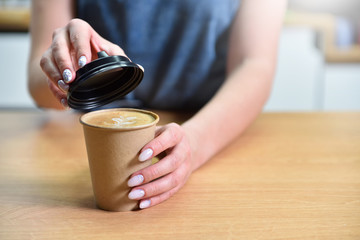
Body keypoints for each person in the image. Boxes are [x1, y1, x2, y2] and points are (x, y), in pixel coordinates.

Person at [28, 0, 286, 209]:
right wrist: (66, 68)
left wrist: (194, 144)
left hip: (210, 126)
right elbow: (37, 83)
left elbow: (254, 64)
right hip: (90, 131)